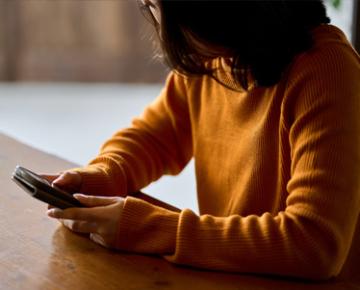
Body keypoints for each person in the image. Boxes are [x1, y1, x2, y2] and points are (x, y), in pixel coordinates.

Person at [44, 0, 360, 280]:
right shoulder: (212, 60)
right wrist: (104, 175)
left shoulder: (326, 69)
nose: (157, 25)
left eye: (154, 6)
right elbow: (153, 137)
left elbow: (314, 244)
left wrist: (149, 228)